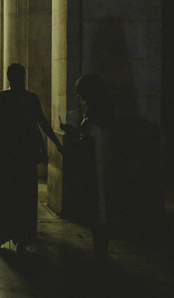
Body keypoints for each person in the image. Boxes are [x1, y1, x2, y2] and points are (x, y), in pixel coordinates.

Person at [0, 62, 63, 252]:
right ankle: (23, 237)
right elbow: (40, 124)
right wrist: (55, 144)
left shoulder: (3, 97)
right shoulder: (31, 98)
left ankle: (0, 237)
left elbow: (1, 124)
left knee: (4, 195)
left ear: (8, 78)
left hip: (7, 152)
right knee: (25, 197)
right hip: (25, 153)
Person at [63, 73, 115, 265]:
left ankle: (100, 252)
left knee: (98, 209)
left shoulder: (94, 113)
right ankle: (101, 251)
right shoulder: (103, 111)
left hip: (95, 166)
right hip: (99, 163)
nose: (78, 97)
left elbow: (90, 141)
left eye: (80, 94)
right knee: (100, 210)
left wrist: (75, 139)